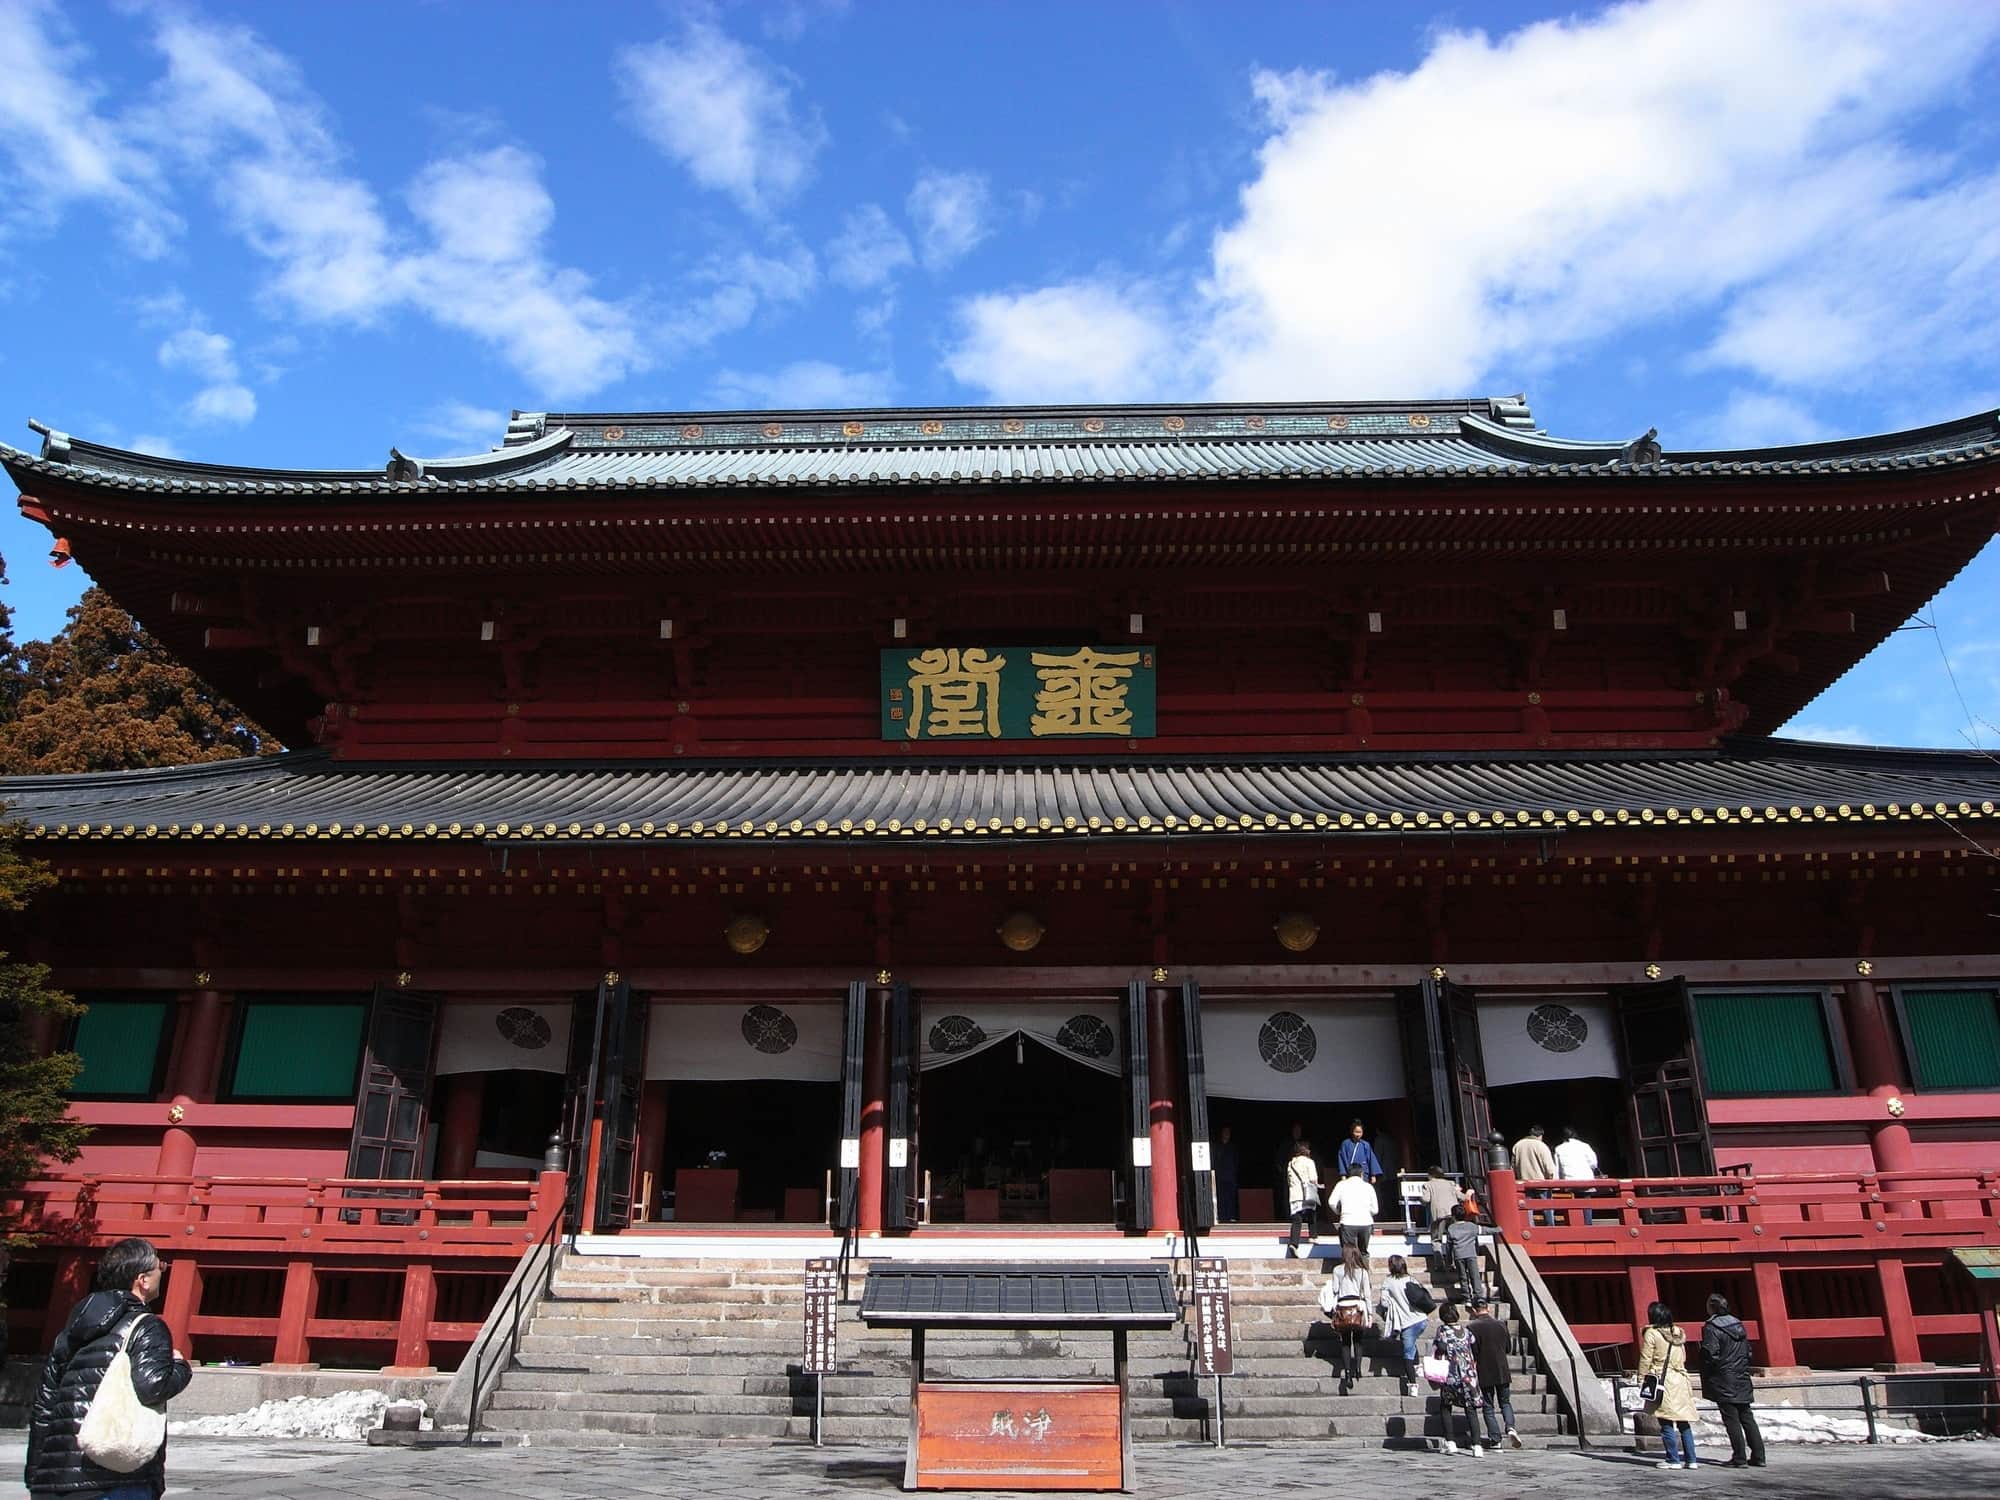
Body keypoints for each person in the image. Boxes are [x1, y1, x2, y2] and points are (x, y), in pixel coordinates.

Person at [26, 1236, 192, 1500]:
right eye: (160, 1265)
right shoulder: (146, 1325)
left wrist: (36, 1478)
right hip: (115, 1475)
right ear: (143, 1280)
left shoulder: (71, 1330)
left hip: (55, 1479)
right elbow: (152, 1387)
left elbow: (44, 1407)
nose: (163, 1270)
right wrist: (181, 1367)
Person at [1700, 1293, 1765, 1468]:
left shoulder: (1711, 1327)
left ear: (1712, 1308)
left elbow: (1710, 1354)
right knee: (1747, 1416)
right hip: (1741, 1374)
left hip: (1723, 1376)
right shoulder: (1739, 1325)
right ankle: (1759, 1455)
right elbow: (1748, 1352)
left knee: (1731, 1419)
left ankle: (1739, 1457)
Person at [1638, 1300, 1698, 1470]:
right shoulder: (1678, 1332)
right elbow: (1683, 1355)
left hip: (1663, 1380)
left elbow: (1646, 1357)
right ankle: (1691, 1459)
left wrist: (1641, 1376)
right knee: (1683, 1421)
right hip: (1680, 1378)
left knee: (1665, 1420)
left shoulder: (1652, 1333)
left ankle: (1673, 1459)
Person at [1467, 1295, 1522, 1450]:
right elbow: (1508, 1348)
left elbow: (1473, 1352)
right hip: (1502, 1369)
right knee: (1505, 1402)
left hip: (1484, 1371)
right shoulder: (1501, 1325)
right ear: (1488, 1308)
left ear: (1473, 1310)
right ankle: (1510, 1427)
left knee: (1488, 1406)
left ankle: (1495, 1439)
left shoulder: (1472, 1328)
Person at [1318, 1242, 1373, 1394]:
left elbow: (1335, 1289)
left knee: (1345, 1342)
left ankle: (1347, 1372)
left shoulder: (1337, 1270)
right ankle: (1358, 1369)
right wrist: (1370, 1314)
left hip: (1343, 1307)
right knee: (1358, 1340)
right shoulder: (1362, 1272)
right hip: (1358, 1307)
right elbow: (1367, 1294)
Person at [1429, 1299, 1482, 1456]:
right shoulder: (1466, 1331)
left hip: (1451, 1374)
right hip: (1468, 1375)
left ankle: (1450, 1442)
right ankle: (1477, 1445)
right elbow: (1473, 1345)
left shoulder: (1443, 1330)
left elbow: (1441, 1347)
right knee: (1470, 1409)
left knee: (1446, 1406)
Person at [1376, 1253, 1430, 1396]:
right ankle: (1418, 1367)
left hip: (1406, 1322)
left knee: (1407, 1353)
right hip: (1421, 1319)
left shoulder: (1388, 1281)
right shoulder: (1411, 1278)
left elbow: (1384, 1302)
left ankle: (1412, 1384)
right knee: (1412, 1343)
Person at [1327, 1162, 1379, 1256]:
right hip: (1365, 1223)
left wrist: (1339, 1212)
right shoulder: (1368, 1186)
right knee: (1363, 1252)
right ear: (1361, 1174)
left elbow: (1331, 1202)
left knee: (1349, 1253)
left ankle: (1350, 1269)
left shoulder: (1341, 1185)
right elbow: (1375, 1210)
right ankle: (1364, 1269)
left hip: (1347, 1222)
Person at [1511, 1124, 1558, 1226]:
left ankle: (1529, 1228)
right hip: (1541, 1183)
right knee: (1547, 1208)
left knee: (1527, 1209)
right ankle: (1551, 1228)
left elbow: (1513, 1166)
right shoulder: (1541, 1145)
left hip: (1524, 1182)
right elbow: (1549, 1167)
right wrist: (1552, 1180)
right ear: (1541, 1135)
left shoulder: (1518, 1145)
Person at [1552, 1127, 1601, 1224]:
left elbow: (1556, 1168)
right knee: (1586, 1203)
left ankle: (1575, 1224)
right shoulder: (1585, 1146)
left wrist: (1557, 1182)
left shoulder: (1559, 1148)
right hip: (1585, 1179)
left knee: (1571, 1203)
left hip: (1569, 1181)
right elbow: (1594, 1164)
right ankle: (1588, 1224)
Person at [1283, 1140, 1323, 1258]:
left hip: (1295, 1194)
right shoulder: (1309, 1162)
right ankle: (1313, 1236)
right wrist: (1318, 1185)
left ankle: (1294, 1243)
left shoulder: (1290, 1164)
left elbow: (1289, 1180)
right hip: (1307, 1193)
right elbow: (1313, 1179)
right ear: (1304, 1150)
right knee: (1312, 1214)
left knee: (1297, 1220)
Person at [1442, 1200, 1483, 1302]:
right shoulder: (1472, 1226)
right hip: (1471, 1254)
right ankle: (1479, 1296)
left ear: (1453, 1216)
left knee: (1463, 1277)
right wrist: (1498, 1229)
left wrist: (1448, 1260)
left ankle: (1466, 1297)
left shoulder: (1451, 1228)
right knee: (1475, 1275)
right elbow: (1485, 1230)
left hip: (1459, 1255)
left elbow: (1448, 1246)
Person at [1336, 1119, 1384, 1184]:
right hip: (1350, 1174)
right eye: (1356, 1132)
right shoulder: (1345, 1144)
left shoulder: (1366, 1145)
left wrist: (1373, 1175)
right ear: (1352, 1131)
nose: (1358, 1134)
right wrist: (1343, 1174)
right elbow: (1341, 1159)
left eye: (1360, 1132)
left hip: (1363, 1175)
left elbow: (1371, 1160)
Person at [1423, 1164, 1464, 1238]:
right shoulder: (1451, 1183)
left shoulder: (1428, 1185)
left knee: (1436, 1237)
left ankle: (1438, 1249)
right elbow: (1461, 1196)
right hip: (1453, 1212)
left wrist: (1419, 1198)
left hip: (1439, 1214)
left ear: (1430, 1175)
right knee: (1454, 1235)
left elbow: (1426, 1199)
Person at [1213, 1124, 1240, 1223]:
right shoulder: (1217, 1146)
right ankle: (1221, 1216)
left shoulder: (1233, 1147)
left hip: (1230, 1176)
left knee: (1230, 1197)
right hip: (1220, 1176)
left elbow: (1236, 1161)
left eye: (1228, 1133)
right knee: (1220, 1197)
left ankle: (1231, 1216)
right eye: (1225, 1133)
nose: (1226, 1135)